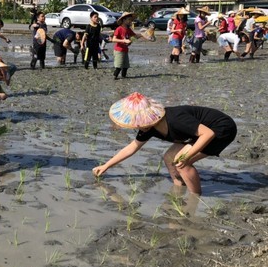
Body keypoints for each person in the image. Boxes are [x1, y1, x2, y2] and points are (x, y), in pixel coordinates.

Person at [93, 92, 237, 196]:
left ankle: (195, 197)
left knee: (181, 161)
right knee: (169, 157)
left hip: (221, 129)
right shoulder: (147, 126)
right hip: (199, 132)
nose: (138, 126)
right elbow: (132, 147)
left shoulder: (175, 119)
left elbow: (208, 134)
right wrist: (106, 166)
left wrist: (188, 155)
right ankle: (179, 186)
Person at [111, 12, 150, 79]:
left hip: (125, 50)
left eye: (131, 20)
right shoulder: (119, 29)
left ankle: (124, 77)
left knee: (126, 66)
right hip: (119, 50)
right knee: (119, 65)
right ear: (124, 20)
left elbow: (135, 36)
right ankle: (114, 77)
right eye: (129, 19)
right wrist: (124, 40)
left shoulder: (128, 29)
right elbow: (113, 39)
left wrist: (143, 34)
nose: (130, 21)